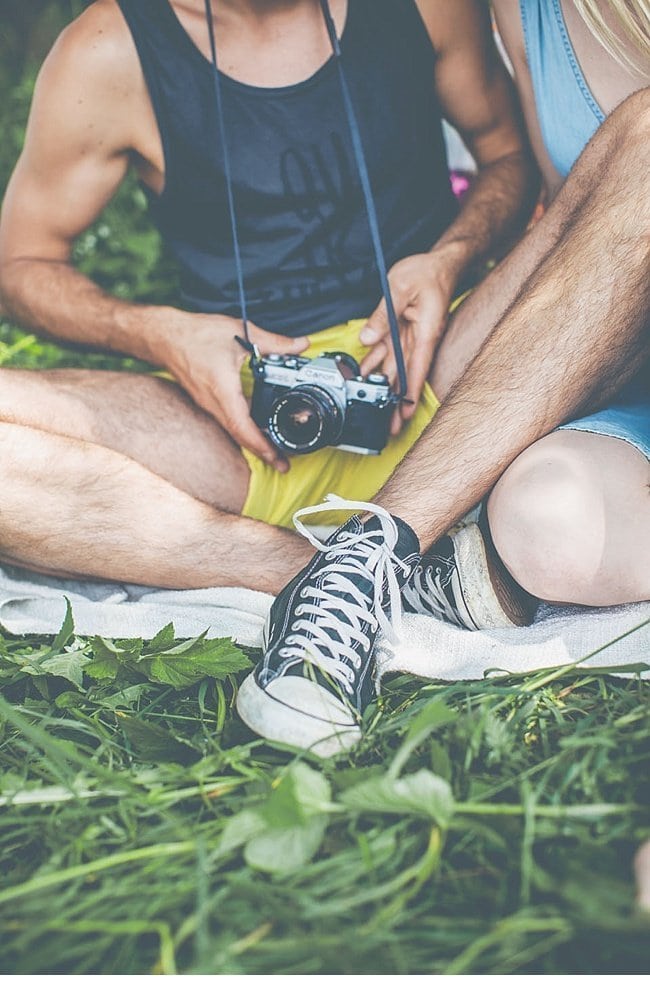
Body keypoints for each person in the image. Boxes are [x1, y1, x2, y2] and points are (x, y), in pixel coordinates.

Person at [0, 0, 535, 590]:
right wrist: (163, 333)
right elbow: (21, 264)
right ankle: (339, 578)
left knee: (616, 191)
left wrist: (450, 259)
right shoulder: (108, 49)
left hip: (449, 368)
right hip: (247, 429)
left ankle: (336, 571)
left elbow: (509, 155)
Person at [235, 0, 650, 755]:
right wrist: (452, 262)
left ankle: (362, 562)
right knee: (546, 524)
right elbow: (577, 216)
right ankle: (373, 564)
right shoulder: (526, 14)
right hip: (632, 362)